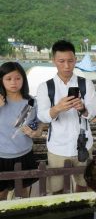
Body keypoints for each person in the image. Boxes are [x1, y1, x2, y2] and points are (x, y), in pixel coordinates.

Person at [36, 40, 96, 194]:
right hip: (57, 146)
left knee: (83, 185)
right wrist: (57, 109)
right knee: (56, 188)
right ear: (54, 61)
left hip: (83, 145)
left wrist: (82, 108)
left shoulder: (86, 84)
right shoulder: (45, 87)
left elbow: (93, 112)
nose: (66, 66)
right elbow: (42, 116)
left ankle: (81, 211)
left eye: (70, 61)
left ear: (75, 60)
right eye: (61, 61)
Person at [0, 62, 44, 200]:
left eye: (18, 78)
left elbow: (40, 122)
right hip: (1, 156)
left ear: (23, 79)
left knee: (23, 192)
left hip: (25, 153)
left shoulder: (31, 101)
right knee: (1, 194)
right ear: (1, 80)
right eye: (8, 78)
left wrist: (36, 132)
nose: (14, 82)